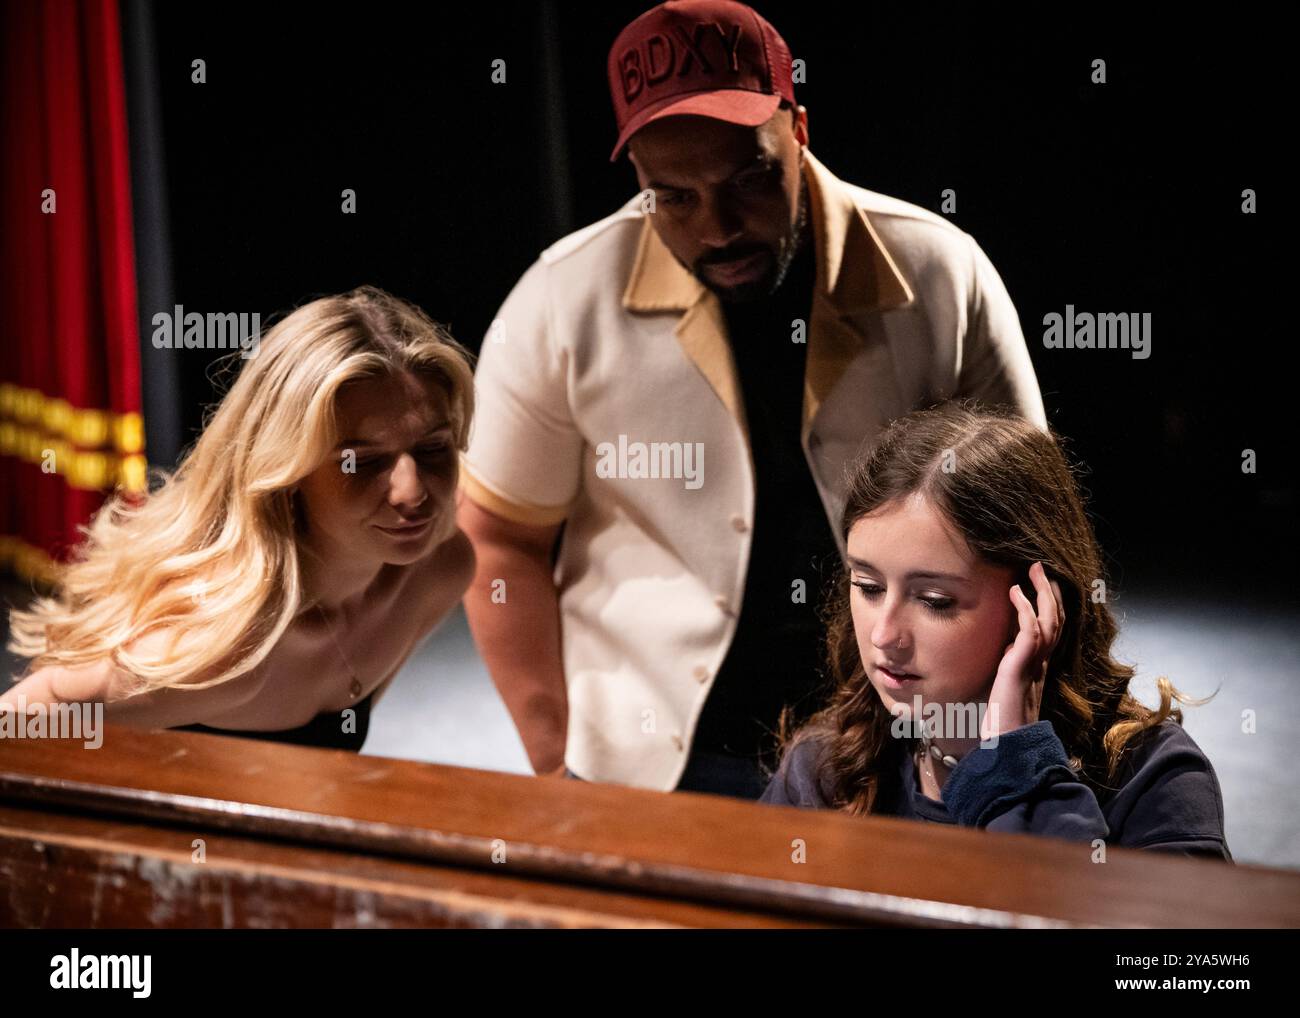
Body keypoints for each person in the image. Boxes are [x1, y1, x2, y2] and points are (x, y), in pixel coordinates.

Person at [457, 0, 1046, 797]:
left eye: (751, 179)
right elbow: (497, 540)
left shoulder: (943, 273)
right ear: (637, 179)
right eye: (676, 197)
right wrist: (554, 763)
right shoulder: (563, 300)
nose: (719, 227)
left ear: (798, 129)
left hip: (906, 740)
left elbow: (1027, 529)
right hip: (654, 756)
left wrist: (1004, 734)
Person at [2, 286, 476, 752]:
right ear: (287, 471)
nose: (412, 491)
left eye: (432, 448)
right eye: (363, 461)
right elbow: (15, 723)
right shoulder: (223, 648)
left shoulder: (437, 572)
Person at [759, 402, 1232, 860]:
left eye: (934, 600)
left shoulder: (1153, 778)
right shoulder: (827, 763)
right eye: (868, 586)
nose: (884, 635)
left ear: (1036, 603)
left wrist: (1015, 763)